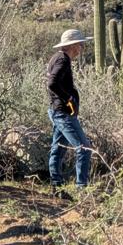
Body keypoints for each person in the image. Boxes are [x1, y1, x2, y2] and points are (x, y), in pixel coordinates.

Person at [46, 29, 92, 196]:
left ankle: (57, 188)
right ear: (72, 45)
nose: (81, 48)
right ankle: (82, 190)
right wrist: (68, 99)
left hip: (59, 112)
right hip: (63, 113)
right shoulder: (63, 59)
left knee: (57, 149)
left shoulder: (57, 58)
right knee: (84, 149)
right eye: (80, 44)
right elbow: (52, 83)